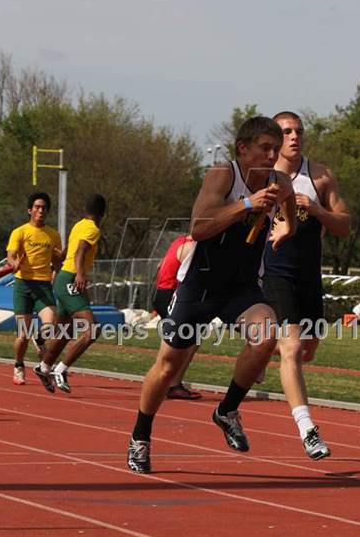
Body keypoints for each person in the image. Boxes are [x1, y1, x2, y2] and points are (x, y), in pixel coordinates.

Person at [127, 116, 297, 473]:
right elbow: (199, 227)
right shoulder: (223, 175)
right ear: (243, 149)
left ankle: (226, 410)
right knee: (168, 365)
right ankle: (141, 435)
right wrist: (247, 205)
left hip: (242, 286)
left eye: (275, 150)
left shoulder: (279, 182)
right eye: (265, 149)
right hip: (200, 286)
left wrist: (285, 228)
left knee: (267, 337)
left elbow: (291, 212)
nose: (272, 156)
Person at [262, 111, 351, 460]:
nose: (294, 137)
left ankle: (259, 350)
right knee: (293, 348)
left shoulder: (321, 176)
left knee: (307, 350)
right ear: (275, 137)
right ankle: (308, 429)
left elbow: (344, 226)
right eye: (287, 132)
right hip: (273, 272)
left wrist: (317, 211)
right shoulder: (263, 177)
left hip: (309, 278)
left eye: (299, 131)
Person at [34, 193, 106, 394]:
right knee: (92, 330)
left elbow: (67, 252)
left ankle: (44, 366)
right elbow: (80, 250)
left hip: (63, 278)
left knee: (67, 331)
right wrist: (81, 275)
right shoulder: (93, 229)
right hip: (71, 279)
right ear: (103, 213)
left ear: (86, 210)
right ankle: (61, 369)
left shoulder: (79, 225)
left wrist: (59, 259)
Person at [6, 192, 62, 385]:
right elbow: (11, 255)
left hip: (43, 285)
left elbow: (57, 261)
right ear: (30, 210)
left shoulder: (53, 235)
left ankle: (38, 339)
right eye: (37, 207)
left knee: (52, 322)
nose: (41, 210)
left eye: (44, 208)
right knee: (22, 335)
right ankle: (19, 365)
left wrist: (58, 272)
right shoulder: (20, 232)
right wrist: (14, 263)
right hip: (23, 285)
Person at [152, 234, 202, 400]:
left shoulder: (179, 241)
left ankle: (168, 382)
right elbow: (190, 275)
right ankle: (172, 384)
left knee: (186, 339)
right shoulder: (191, 247)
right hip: (169, 294)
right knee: (188, 340)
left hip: (161, 293)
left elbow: (160, 265)